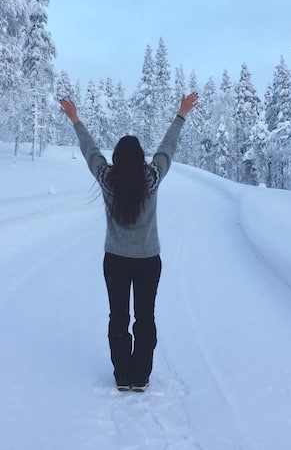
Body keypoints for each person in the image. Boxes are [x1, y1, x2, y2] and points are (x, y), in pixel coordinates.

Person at [60, 92, 199, 392]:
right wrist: (181, 115)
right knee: (145, 317)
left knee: (118, 317)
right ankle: (141, 376)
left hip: (115, 260)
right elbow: (167, 149)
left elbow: (90, 151)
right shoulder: (153, 176)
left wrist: (75, 119)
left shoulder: (107, 179)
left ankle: (123, 374)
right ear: (140, 158)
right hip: (149, 261)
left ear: (117, 159)